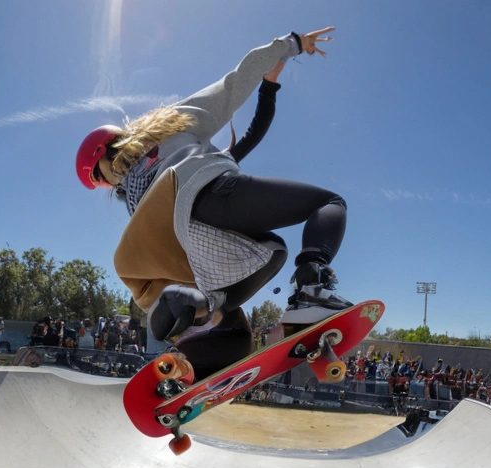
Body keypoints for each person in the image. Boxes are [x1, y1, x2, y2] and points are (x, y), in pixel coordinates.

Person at [76, 27, 349, 377]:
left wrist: (270, 85)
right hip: (207, 200)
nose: (105, 183)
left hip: (185, 249)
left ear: (104, 152)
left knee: (240, 329)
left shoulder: (136, 200)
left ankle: (185, 358)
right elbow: (234, 84)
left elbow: (251, 135)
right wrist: (289, 46)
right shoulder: (171, 127)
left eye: (97, 177)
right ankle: (312, 290)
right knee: (327, 204)